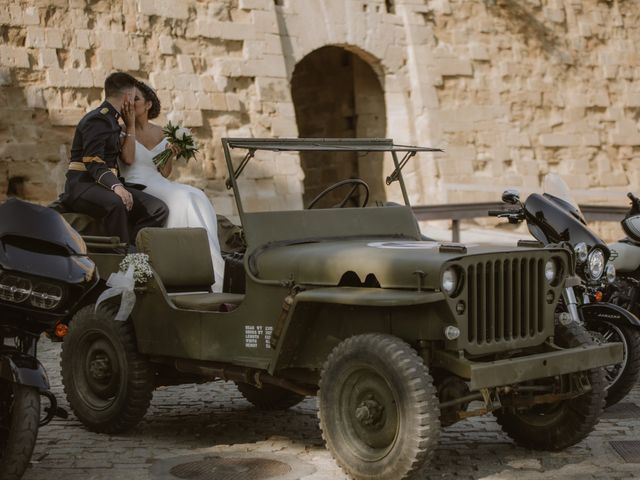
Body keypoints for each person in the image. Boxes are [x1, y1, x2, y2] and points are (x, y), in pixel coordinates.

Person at [118, 80, 225, 292]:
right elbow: (128, 160)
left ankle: (212, 266)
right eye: (128, 99)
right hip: (136, 184)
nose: (130, 103)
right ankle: (187, 268)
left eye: (136, 99)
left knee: (196, 194)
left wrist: (170, 154)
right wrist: (130, 125)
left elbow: (165, 172)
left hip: (159, 181)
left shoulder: (160, 132)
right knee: (183, 198)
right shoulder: (122, 130)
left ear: (148, 105)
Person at [60, 72, 168, 249]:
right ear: (127, 97)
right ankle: (120, 257)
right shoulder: (97, 119)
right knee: (117, 203)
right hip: (83, 185)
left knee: (157, 209)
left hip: (104, 184)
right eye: (133, 98)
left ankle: (131, 252)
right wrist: (116, 186)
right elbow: (93, 161)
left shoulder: (113, 120)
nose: (133, 103)